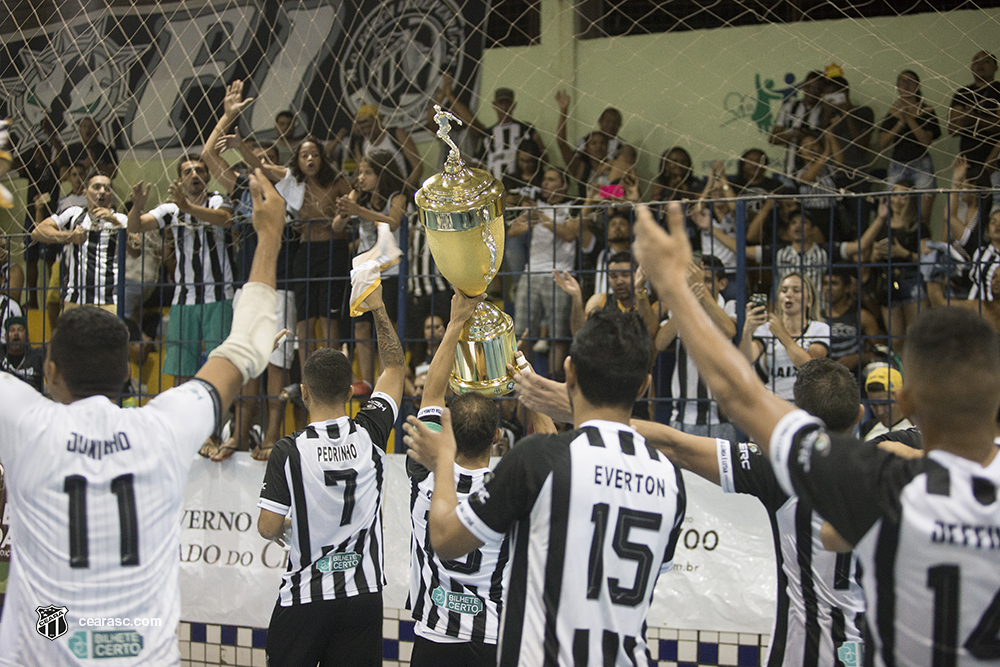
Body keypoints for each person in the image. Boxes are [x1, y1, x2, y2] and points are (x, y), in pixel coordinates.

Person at [635, 200, 1000, 667]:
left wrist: (675, 288)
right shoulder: (890, 464)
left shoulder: (882, 482)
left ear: (905, 404)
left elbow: (740, 396)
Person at [0, 168, 285, 665]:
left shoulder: (27, 425)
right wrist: (270, 238)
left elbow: (245, 348)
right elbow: (247, 348)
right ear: (124, 370)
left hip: (48, 645)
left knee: (57, 618)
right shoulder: (161, 427)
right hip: (140, 652)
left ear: (49, 372)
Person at [402, 307, 685, 665]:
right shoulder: (669, 479)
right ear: (645, 384)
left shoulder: (537, 464)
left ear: (570, 373)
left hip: (537, 651)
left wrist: (444, 461)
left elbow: (443, 536)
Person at [633, 357, 867, 667]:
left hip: (805, 652)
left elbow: (678, 448)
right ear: (859, 415)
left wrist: (593, 415)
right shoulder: (894, 473)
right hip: (874, 649)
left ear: (797, 417)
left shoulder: (783, 471)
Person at [256, 282, 405, 667]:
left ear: (303, 392)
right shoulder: (371, 433)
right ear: (352, 391)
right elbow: (395, 367)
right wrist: (378, 309)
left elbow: (269, 527)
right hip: (363, 595)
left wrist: (292, 523)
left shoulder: (289, 450)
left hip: (307, 595)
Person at [406, 290, 512, 666]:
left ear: (447, 433)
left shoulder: (425, 475)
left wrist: (454, 324)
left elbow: (432, 394)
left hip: (435, 637)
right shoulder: (510, 492)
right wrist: (524, 378)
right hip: (492, 639)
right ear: (498, 437)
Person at [202, 79, 299, 461]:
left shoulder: (287, 189)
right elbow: (209, 155)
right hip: (247, 285)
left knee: (276, 366)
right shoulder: (242, 185)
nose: (257, 164)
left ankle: (272, 434)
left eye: (265, 159)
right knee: (246, 361)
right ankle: (239, 434)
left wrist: (244, 149)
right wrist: (225, 117)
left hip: (282, 285)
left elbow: (261, 166)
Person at [127, 156, 235, 385]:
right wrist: (136, 207)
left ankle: (222, 419)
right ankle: (184, 416)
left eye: (199, 170)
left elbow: (225, 220)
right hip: (184, 297)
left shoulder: (218, 200)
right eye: (188, 172)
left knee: (222, 363)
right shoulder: (171, 209)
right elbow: (135, 226)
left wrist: (189, 207)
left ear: (207, 176)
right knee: (181, 367)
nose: (194, 175)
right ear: (179, 180)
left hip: (219, 295)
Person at [335, 149, 407, 395]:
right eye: (360, 173)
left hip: (390, 271)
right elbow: (336, 225)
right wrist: (346, 209)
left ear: (382, 173)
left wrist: (358, 211)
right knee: (362, 327)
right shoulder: (359, 196)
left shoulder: (397, 196)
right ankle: (366, 381)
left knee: (387, 329)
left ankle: (387, 377)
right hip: (365, 273)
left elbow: (393, 221)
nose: (362, 177)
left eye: (368, 172)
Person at [509, 167, 590, 377]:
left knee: (558, 336)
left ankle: (556, 379)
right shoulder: (537, 207)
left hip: (560, 276)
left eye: (551, 179)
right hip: (532, 274)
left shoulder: (572, 206)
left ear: (564, 184)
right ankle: (523, 380)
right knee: (523, 334)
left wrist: (542, 218)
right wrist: (530, 219)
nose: (545, 183)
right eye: (544, 179)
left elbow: (570, 234)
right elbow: (512, 231)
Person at [657, 255, 738, 439]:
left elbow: (728, 330)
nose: (698, 285)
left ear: (723, 283)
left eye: (707, 280)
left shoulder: (731, 306)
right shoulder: (679, 309)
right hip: (682, 417)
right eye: (692, 281)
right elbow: (660, 343)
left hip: (722, 418)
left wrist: (701, 293)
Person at [845, 182, 929, 351]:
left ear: (911, 199)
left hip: (911, 281)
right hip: (887, 282)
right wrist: (877, 254)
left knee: (916, 337)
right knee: (896, 340)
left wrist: (902, 252)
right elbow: (871, 258)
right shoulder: (882, 226)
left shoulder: (918, 227)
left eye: (903, 195)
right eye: (895, 194)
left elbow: (927, 258)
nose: (898, 200)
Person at [31, 171, 127, 313]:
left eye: (107, 189)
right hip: (75, 300)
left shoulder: (121, 218)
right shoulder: (74, 214)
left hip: (110, 301)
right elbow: (38, 232)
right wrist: (70, 237)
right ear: (85, 193)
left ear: (111, 195)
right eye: (97, 187)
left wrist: (116, 222)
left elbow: (136, 249)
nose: (102, 192)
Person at [741, 272, 830, 400]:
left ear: (809, 300)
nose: (789, 294)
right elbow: (746, 359)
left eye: (796, 290)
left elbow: (811, 368)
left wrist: (782, 335)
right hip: (773, 401)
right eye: (784, 290)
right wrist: (748, 331)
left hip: (806, 402)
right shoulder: (766, 329)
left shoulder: (820, 328)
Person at [878, 70, 941, 228]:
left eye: (910, 81)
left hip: (922, 165)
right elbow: (882, 142)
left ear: (917, 85)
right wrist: (900, 122)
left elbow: (926, 140)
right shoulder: (892, 112)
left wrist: (909, 118)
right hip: (897, 165)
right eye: (902, 81)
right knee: (891, 213)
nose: (905, 85)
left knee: (923, 216)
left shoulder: (927, 111)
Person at [340, 104, 423, 193]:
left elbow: (417, 167)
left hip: (401, 187)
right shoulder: (360, 144)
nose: (367, 131)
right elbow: (359, 171)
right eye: (363, 128)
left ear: (379, 120)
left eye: (369, 126)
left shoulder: (396, 134)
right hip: (376, 193)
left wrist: (405, 190)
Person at [948, 51, 1000, 187]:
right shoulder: (962, 94)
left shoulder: (998, 91)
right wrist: (964, 121)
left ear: (996, 67)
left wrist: (974, 119)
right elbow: (952, 129)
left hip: (995, 164)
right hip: (967, 164)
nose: (980, 64)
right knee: (963, 206)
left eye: (986, 61)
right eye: (976, 61)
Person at [820, 266, 879, 375]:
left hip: (856, 377)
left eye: (834, 283)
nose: (828, 288)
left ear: (847, 288)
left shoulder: (862, 316)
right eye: (825, 283)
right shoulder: (818, 318)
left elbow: (881, 352)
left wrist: (858, 358)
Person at [770, 71, 826, 184]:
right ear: (803, 86)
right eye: (809, 87)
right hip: (789, 173)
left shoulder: (825, 111)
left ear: (823, 91)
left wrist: (808, 135)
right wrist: (793, 135)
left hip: (816, 175)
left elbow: (828, 139)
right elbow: (773, 139)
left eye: (817, 89)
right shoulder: (789, 108)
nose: (812, 92)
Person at [860, 365, 913, 442]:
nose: (880, 412)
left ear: (901, 397)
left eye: (885, 404)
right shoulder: (868, 427)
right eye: (873, 405)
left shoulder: (917, 430)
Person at [0, 316, 44, 392]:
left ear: (27, 335)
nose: (16, 333)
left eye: (20, 330)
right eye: (12, 330)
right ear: (6, 337)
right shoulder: (1, 353)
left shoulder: (37, 356)